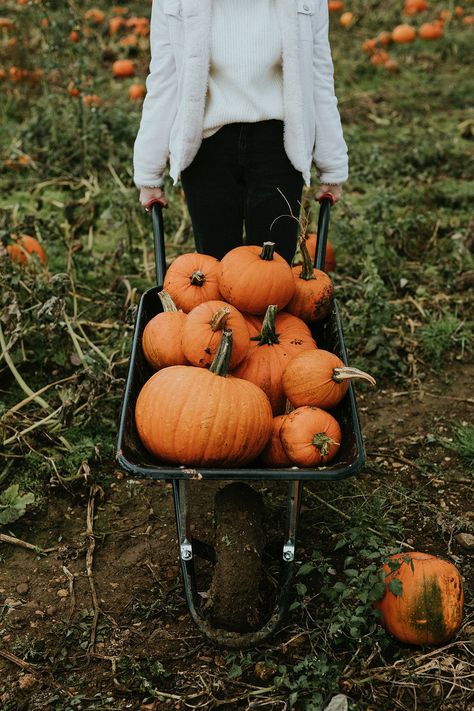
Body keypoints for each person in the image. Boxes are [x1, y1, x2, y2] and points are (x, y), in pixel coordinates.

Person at [133, 0, 348, 264]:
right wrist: (149, 172)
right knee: (216, 272)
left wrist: (332, 166)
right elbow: (164, 80)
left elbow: (320, 77)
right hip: (207, 148)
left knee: (274, 270)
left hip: (279, 146)